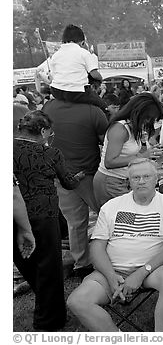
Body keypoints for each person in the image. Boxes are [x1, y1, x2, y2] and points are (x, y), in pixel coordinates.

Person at [67, 158, 163, 331]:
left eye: (146, 176)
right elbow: (97, 247)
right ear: (129, 181)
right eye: (136, 178)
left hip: (153, 269)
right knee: (77, 301)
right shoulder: (112, 206)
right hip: (112, 271)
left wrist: (140, 274)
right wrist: (112, 278)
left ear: (156, 178)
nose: (141, 181)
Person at [14, 110, 84, 331]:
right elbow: (68, 182)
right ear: (43, 131)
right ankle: (49, 321)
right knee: (48, 268)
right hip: (41, 215)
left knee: (26, 262)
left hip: (12, 216)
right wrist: (79, 177)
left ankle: (48, 309)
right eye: (49, 133)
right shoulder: (50, 153)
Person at [43, 92, 109, 278]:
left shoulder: (49, 106)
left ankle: (82, 264)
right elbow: (106, 141)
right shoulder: (93, 110)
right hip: (88, 173)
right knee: (108, 215)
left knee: (75, 223)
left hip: (60, 173)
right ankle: (116, 257)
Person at [93, 93, 163, 209]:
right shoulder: (120, 129)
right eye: (148, 119)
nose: (149, 123)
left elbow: (131, 152)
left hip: (124, 181)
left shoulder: (133, 128)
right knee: (120, 221)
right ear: (138, 113)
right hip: (111, 182)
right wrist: (143, 156)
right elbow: (110, 162)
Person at [36, 24, 107, 111]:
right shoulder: (84, 53)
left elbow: (52, 78)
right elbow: (94, 74)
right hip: (77, 92)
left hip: (57, 91)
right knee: (103, 106)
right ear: (82, 42)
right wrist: (101, 78)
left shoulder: (55, 55)